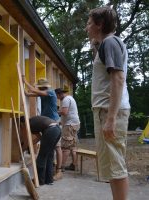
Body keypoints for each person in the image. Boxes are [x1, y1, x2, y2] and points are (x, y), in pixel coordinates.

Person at [86, 6, 130, 200]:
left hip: (109, 111)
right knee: (112, 167)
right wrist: (94, 43)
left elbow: (118, 79)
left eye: (89, 23)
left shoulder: (110, 42)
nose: (86, 27)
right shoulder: (106, 44)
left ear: (100, 24)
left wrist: (111, 118)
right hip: (105, 110)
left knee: (116, 165)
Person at [22, 77, 63, 180]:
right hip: (49, 125)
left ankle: (41, 179)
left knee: (46, 153)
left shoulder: (50, 92)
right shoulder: (42, 94)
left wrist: (25, 81)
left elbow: (32, 90)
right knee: (48, 153)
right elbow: (29, 93)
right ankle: (49, 179)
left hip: (53, 122)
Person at [21, 116, 61, 185]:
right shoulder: (33, 120)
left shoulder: (30, 124)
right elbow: (40, 138)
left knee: (41, 158)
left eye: (21, 126)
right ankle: (49, 180)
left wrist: (24, 148)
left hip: (51, 130)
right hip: (57, 129)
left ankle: (39, 181)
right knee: (49, 156)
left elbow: (40, 138)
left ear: (23, 123)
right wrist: (29, 145)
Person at [55, 87, 80, 171]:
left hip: (69, 125)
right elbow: (68, 113)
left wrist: (56, 112)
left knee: (65, 147)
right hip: (75, 124)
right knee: (73, 146)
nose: (57, 98)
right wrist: (60, 121)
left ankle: (61, 167)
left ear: (59, 94)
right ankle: (74, 165)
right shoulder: (70, 98)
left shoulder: (65, 99)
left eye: (57, 96)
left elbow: (64, 112)